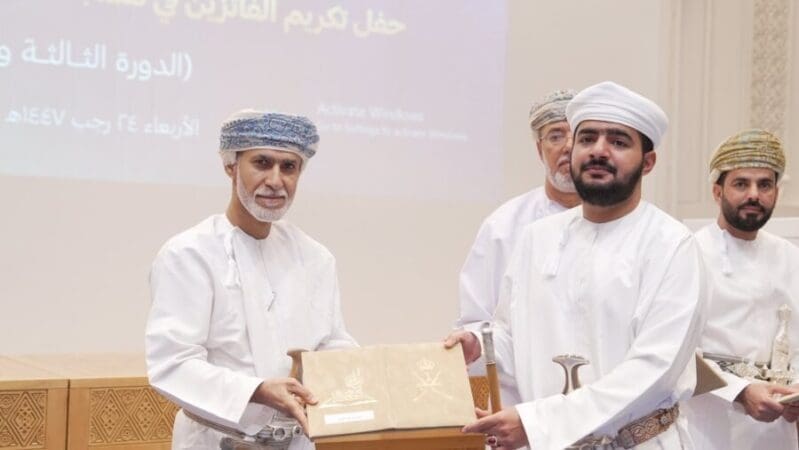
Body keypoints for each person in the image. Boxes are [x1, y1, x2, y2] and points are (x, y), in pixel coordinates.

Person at [446, 81, 705, 449]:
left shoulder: (671, 245)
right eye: (587, 139)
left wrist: (539, 423)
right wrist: (480, 344)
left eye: (618, 141)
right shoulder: (536, 238)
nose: (598, 150)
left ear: (647, 162)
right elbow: (512, 335)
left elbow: (654, 369)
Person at [145, 109, 357, 450]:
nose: (275, 180)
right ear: (231, 166)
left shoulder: (315, 257)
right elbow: (173, 364)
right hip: (216, 441)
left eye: (289, 167)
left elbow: (332, 345)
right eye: (262, 163)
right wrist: (257, 391)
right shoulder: (189, 254)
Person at [456, 90, 581, 406]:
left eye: (579, 137)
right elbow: (478, 323)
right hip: (522, 404)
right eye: (556, 136)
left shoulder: (619, 225)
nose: (568, 146)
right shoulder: (504, 226)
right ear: (540, 149)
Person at [682, 129, 799, 449]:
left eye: (765, 185)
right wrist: (740, 391)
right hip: (709, 423)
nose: (754, 195)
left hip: (777, 428)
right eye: (741, 184)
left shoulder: (790, 256)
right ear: (717, 191)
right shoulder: (688, 253)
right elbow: (673, 352)